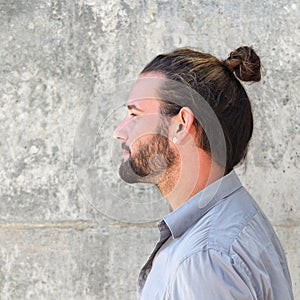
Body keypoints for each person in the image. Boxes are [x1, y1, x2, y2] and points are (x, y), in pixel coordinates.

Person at [113, 46, 294, 299]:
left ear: (181, 125)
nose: (120, 131)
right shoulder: (226, 226)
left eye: (135, 114)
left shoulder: (205, 258)